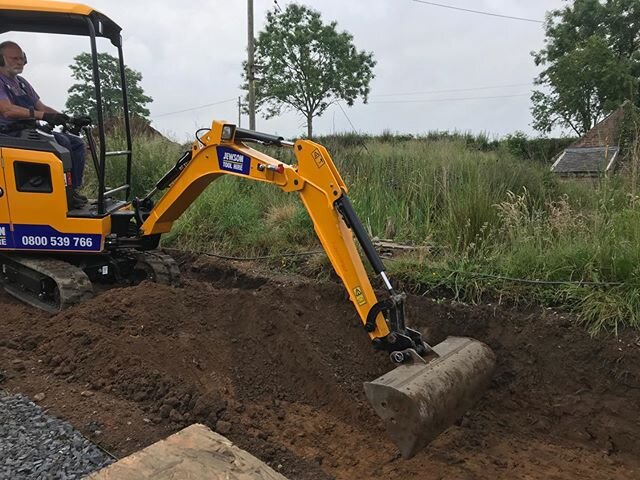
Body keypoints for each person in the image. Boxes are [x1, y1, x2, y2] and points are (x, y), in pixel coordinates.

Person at [0, 40, 87, 208]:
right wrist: (43, 116)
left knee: (76, 142)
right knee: (61, 143)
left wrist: (67, 118)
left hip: (29, 131)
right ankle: (62, 196)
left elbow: (42, 107)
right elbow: (7, 110)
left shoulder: (22, 83)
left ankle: (72, 190)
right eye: (14, 58)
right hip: (8, 134)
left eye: (21, 58)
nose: (20, 62)